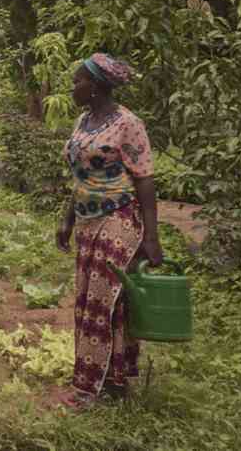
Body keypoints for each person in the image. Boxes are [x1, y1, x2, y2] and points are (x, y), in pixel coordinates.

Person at [56, 53, 164, 408]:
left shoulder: (128, 123)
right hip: (87, 222)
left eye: (78, 82)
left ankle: (90, 391)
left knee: (103, 301)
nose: (73, 87)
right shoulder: (84, 121)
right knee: (93, 302)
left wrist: (151, 237)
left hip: (119, 218)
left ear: (96, 87)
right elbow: (81, 175)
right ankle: (114, 382)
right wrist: (68, 218)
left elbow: (145, 179)